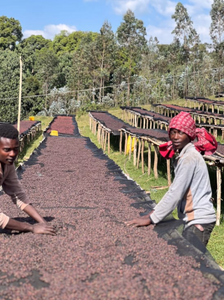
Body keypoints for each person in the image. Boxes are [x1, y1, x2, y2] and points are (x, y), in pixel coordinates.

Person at [126, 111, 218, 246]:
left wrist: (152, 218)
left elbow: (175, 192)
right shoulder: (185, 156)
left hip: (198, 220)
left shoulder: (189, 158)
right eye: (173, 132)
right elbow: (175, 191)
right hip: (193, 218)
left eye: (180, 133)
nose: (175, 137)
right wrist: (155, 212)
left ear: (189, 135)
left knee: (191, 262)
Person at [0, 123, 56, 235]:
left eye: (16, 149)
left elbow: (18, 194)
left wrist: (43, 222)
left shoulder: (8, 164)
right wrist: (30, 227)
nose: (12, 154)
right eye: (7, 150)